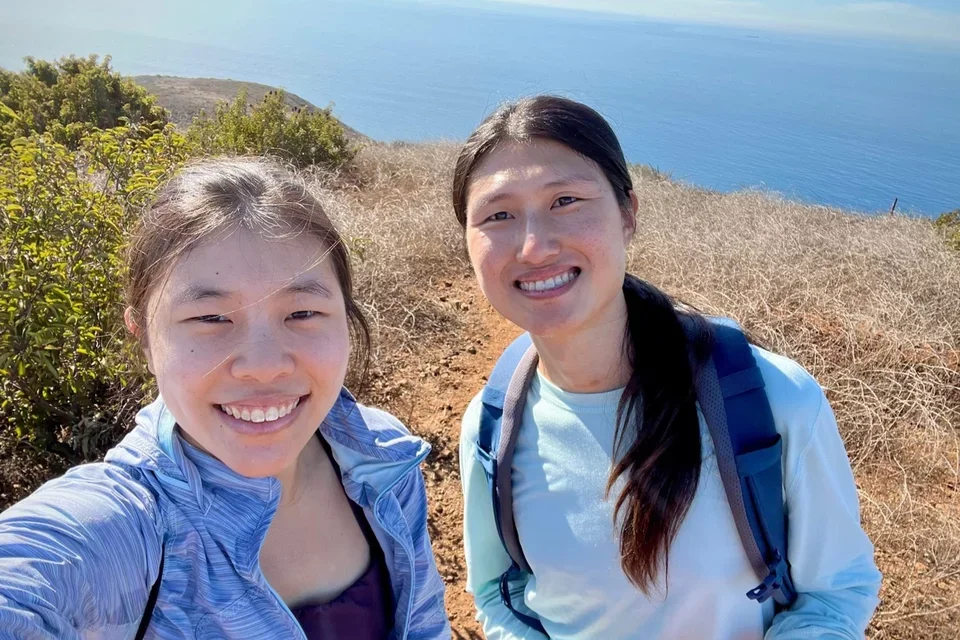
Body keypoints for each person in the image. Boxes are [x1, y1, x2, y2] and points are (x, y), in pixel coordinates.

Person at [454, 96, 881, 639]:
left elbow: (836, 593)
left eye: (565, 199)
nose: (534, 246)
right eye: (498, 215)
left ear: (628, 212)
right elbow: (499, 592)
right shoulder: (492, 428)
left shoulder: (773, 401)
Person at [0, 157, 450, 639]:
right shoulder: (127, 524)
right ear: (145, 338)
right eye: (210, 318)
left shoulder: (382, 459)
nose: (263, 365)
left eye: (302, 312)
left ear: (346, 317)